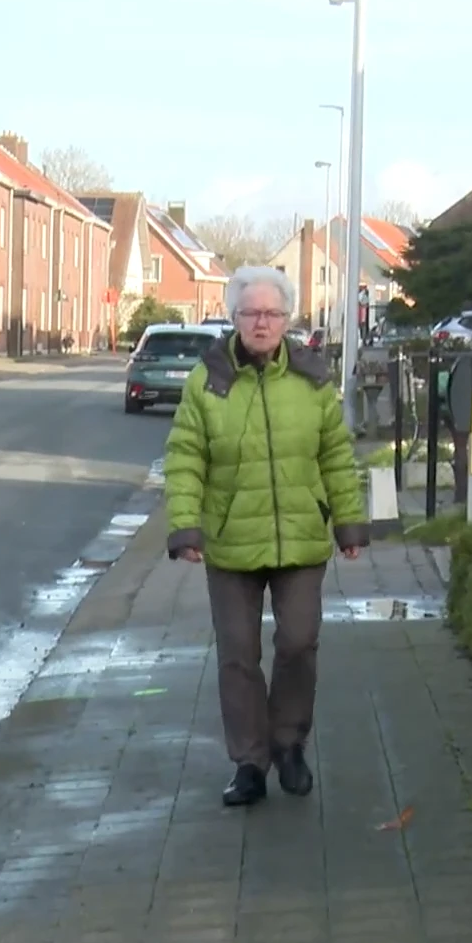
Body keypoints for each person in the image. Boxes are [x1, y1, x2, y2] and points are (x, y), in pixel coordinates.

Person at [162, 266, 370, 807]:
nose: (261, 322)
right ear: (234, 319)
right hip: (229, 542)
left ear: (287, 320)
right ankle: (249, 764)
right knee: (238, 655)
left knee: (299, 644)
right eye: (251, 313)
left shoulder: (313, 378)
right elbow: (185, 459)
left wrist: (349, 523)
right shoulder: (207, 380)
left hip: (300, 537)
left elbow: (336, 457)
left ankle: (289, 744)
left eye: (272, 313)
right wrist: (185, 527)